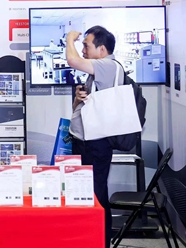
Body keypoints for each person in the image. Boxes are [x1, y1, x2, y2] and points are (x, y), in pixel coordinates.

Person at [65, 26, 122, 248]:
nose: (83, 50)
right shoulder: (96, 72)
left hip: (95, 144)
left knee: (97, 194)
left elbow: (72, 60)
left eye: (86, 45)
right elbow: (78, 109)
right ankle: (89, 239)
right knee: (86, 194)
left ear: (102, 49)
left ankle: (100, 241)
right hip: (85, 141)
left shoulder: (108, 66)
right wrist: (79, 99)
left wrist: (69, 39)